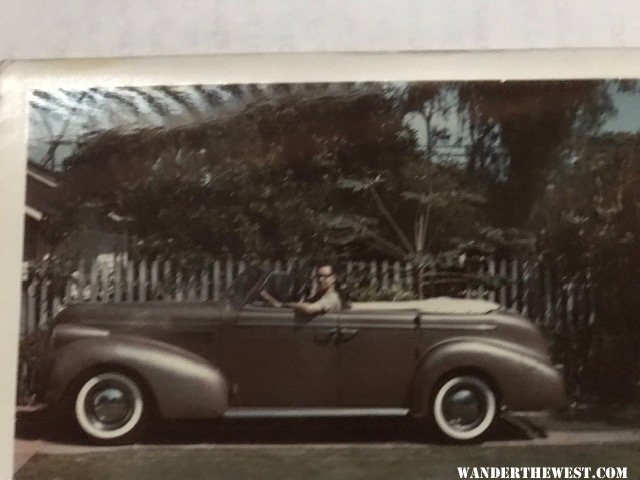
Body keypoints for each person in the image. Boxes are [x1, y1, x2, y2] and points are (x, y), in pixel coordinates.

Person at [260, 265, 342, 314]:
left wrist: (284, 305)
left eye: (325, 276)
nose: (320, 280)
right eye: (319, 276)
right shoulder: (320, 296)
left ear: (333, 278)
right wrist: (274, 302)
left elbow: (310, 309)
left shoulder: (332, 298)